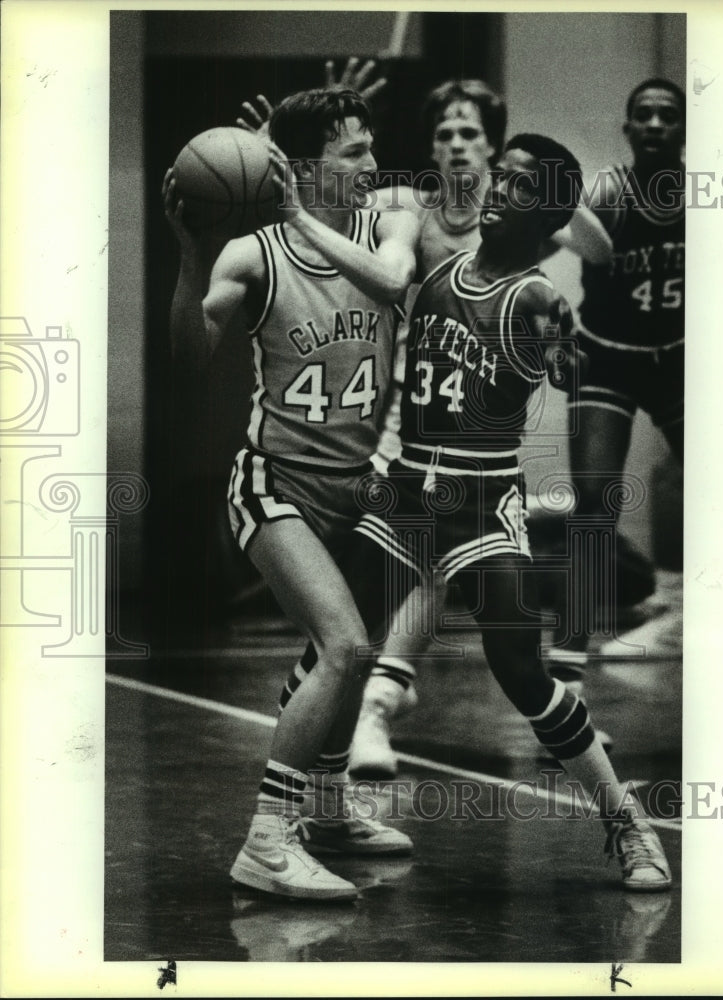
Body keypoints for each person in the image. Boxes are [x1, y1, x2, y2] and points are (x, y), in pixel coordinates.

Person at [235, 77, 614, 777]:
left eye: (471, 133)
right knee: (364, 613)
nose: (457, 144)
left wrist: (556, 181)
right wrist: (277, 161)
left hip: (475, 443)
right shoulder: (408, 210)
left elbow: (596, 247)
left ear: (494, 148)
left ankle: (380, 702)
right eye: (444, 133)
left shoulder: (521, 234)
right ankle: (359, 723)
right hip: (399, 422)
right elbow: (338, 209)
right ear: (432, 150)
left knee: (445, 588)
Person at [347, 132, 672, 891]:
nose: (500, 190)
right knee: (336, 648)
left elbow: (560, 357)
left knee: (520, 669)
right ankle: (312, 811)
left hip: (481, 500)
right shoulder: (437, 278)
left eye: (523, 189)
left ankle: (626, 820)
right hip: (405, 489)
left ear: (549, 216)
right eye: (503, 178)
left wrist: (560, 355)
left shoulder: (538, 298)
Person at [164, 86, 421, 901]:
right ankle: (267, 843)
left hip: (363, 487)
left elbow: (390, 282)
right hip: (275, 485)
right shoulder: (252, 255)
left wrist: (302, 212)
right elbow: (189, 357)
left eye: (371, 148)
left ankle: (331, 810)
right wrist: (190, 252)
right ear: (306, 166)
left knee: (351, 654)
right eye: (353, 152)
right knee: (344, 648)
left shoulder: (392, 213)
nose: (373, 164)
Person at [546, 78, 685, 675]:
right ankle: (568, 668)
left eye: (668, 115)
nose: (655, 124)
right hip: (606, 354)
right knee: (595, 503)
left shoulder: (709, 197)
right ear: (627, 129)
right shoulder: (604, 195)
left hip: (680, 355)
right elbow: (538, 241)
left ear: (683, 129)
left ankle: (679, 612)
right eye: (643, 116)